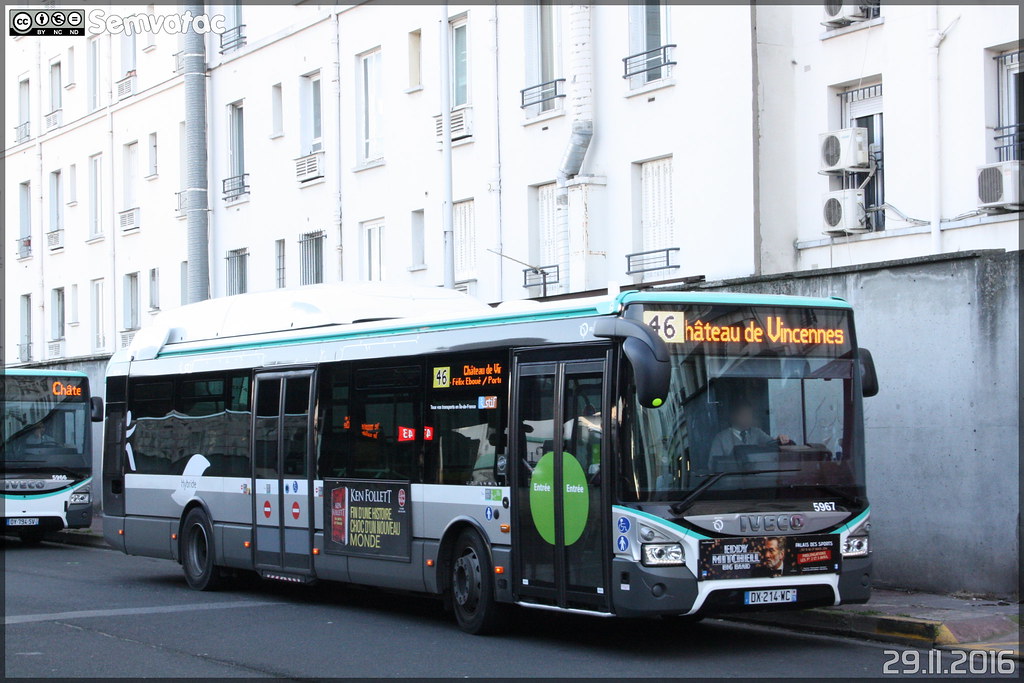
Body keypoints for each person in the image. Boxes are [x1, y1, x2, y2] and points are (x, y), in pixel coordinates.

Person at [708, 399, 792, 466]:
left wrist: (780, 440)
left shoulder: (757, 433)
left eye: (749, 415)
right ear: (733, 416)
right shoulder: (720, 438)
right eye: (744, 415)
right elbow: (713, 465)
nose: (748, 419)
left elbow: (771, 444)